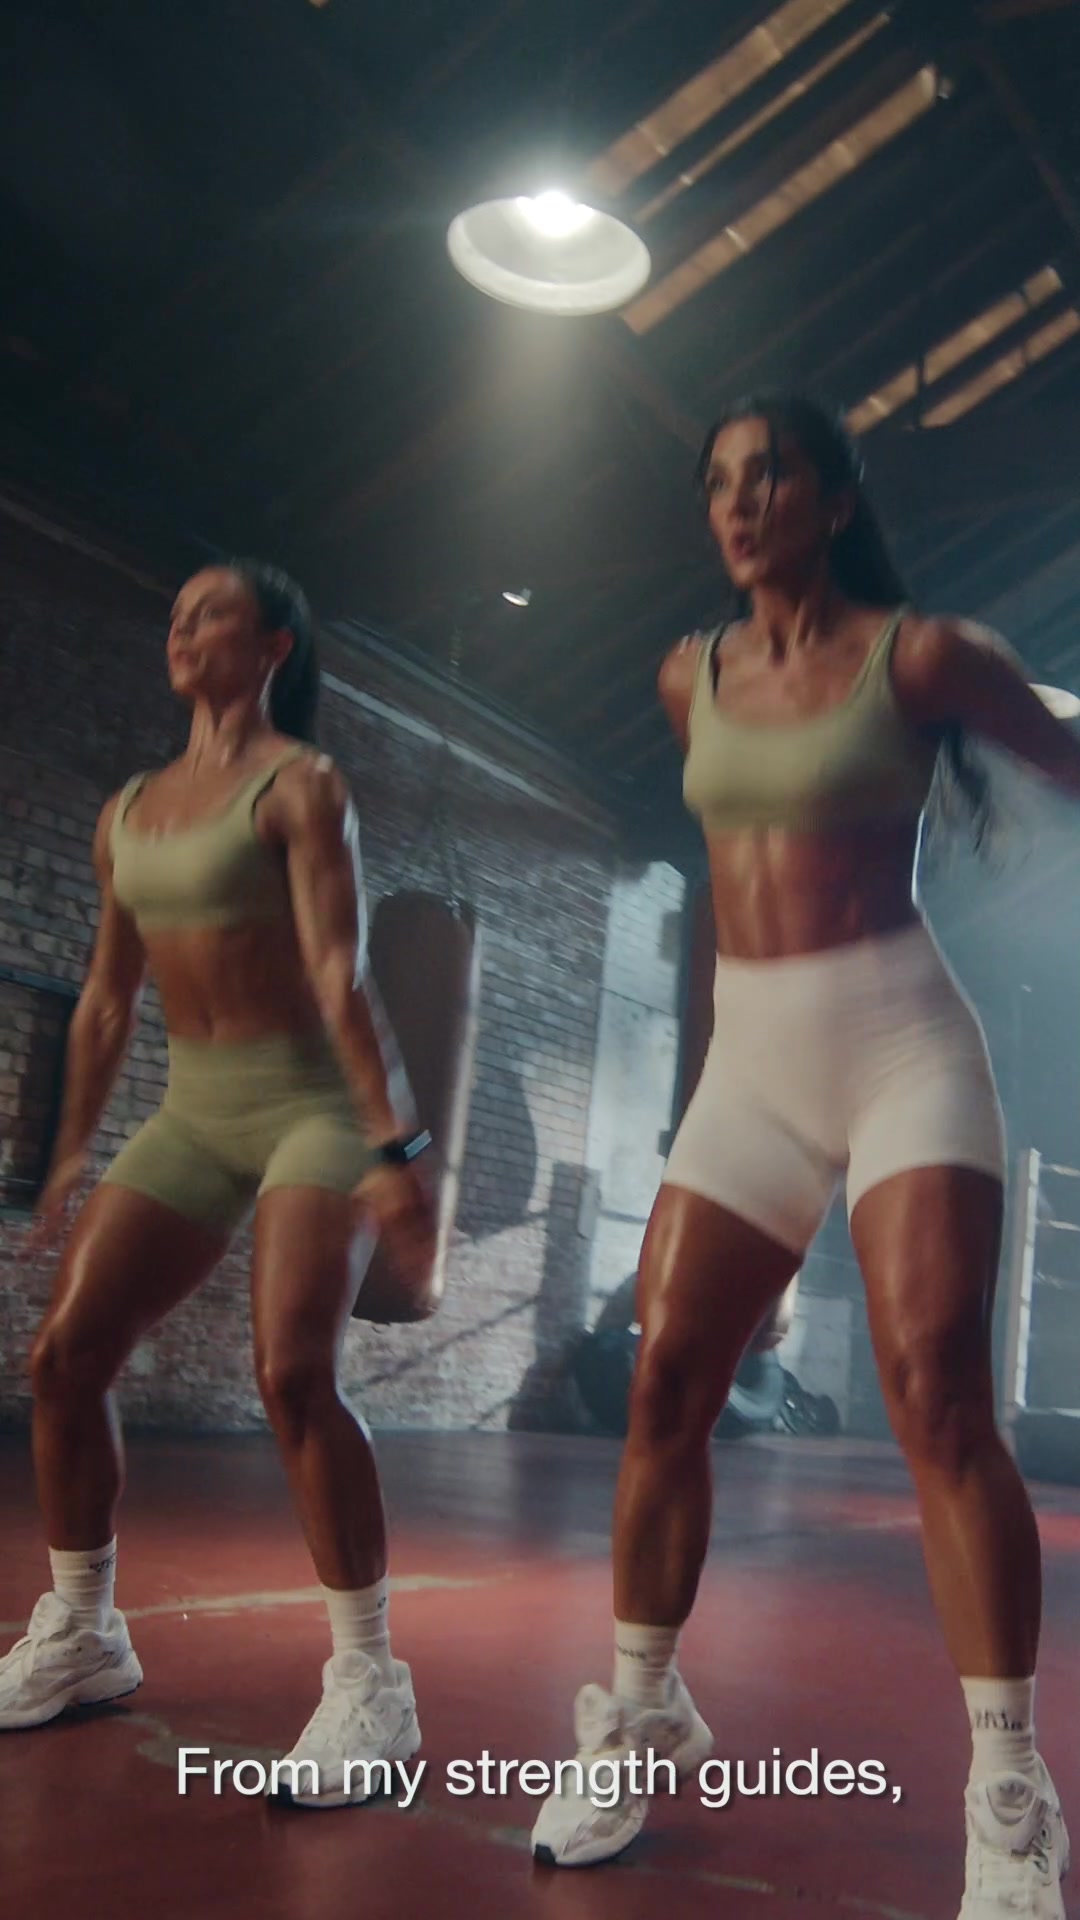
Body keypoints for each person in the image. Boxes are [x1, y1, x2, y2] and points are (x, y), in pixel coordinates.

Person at [532, 395, 1077, 1916]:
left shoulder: (926, 656)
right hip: (751, 1065)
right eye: (718, 478)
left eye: (769, 472)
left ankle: (1012, 1795)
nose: (738, 499)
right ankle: (642, 1713)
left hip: (903, 1043)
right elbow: (726, 882)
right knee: (663, 1382)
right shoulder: (684, 676)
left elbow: (1067, 760)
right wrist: (697, 1101)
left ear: (836, 501)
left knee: (938, 1396)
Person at [0, 559, 436, 1808]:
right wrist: (72, 1149)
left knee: (293, 1373)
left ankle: (372, 1683)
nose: (183, 627)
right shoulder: (129, 809)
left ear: (275, 645)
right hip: (196, 1111)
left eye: (213, 614)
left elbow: (341, 972)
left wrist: (395, 1149)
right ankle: (85, 1630)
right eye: (177, 615)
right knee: (65, 1359)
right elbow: (105, 997)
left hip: (314, 1108)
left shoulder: (302, 786)